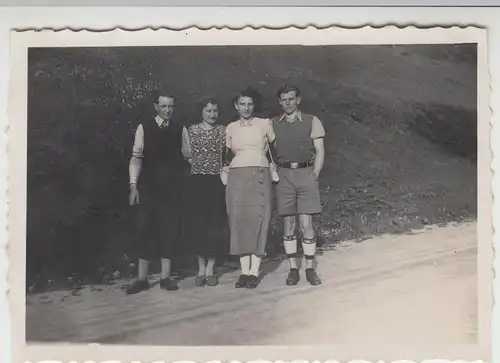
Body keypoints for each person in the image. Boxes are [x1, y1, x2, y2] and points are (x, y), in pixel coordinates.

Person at [126, 91, 186, 294]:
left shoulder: (180, 129)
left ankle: (165, 277)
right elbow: (136, 158)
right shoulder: (144, 127)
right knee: (145, 229)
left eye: (171, 107)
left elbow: (188, 156)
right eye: (164, 106)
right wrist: (133, 185)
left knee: (169, 228)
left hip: (171, 189)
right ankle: (142, 279)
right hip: (148, 189)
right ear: (156, 107)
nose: (168, 110)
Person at [271, 85, 325, 286]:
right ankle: (293, 269)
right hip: (284, 175)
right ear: (279, 102)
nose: (288, 103)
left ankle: (310, 269)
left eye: (291, 99)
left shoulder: (312, 121)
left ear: (298, 100)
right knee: (289, 224)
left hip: (306, 174)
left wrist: (315, 174)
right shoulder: (273, 124)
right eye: (284, 99)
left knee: (306, 224)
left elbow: (320, 150)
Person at [222, 87, 276, 289]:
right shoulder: (230, 127)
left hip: (260, 174)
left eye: (250, 104)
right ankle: (244, 272)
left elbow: (277, 148)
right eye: (242, 104)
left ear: (255, 106)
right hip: (237, 176)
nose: (246, 107)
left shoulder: (264, 124)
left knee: (259, 219)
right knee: (239, 219)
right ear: (236, 106)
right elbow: (226, 155)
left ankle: (255, 272)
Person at [181, 97, 228, 287]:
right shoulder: (191, 131)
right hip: (197, 182)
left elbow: (227, 153)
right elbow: (187, 155)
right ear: (201, 111)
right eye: (208, 110)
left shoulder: (222, 131)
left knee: (214, 224)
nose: (212, 114)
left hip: (216, 182)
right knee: (198, 224)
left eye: (215, 110)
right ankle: (200, 268)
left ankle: (210, 269)